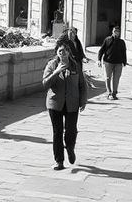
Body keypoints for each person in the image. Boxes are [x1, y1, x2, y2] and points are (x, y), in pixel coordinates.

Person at [43, 42, 87, 171]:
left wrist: (83, 101)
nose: (62, 53)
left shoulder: (75, 66)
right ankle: (59, 161)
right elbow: (45, 83)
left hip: (72, 103)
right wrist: (56, 72)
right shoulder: (52, 65)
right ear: (57, 52)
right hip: (55, 103)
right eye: (60, 51)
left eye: (65, 50)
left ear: (68, 52)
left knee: (71, 130)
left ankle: (70, 148)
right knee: (57, 132)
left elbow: (82, 85)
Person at [97, 26, 127, 100]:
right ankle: (109, 92)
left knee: (116, 78)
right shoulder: (107, 40)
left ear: (119, 33)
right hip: (108, 62)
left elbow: (124, 52)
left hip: (118, 63)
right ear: (112, 32)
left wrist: (124, 62)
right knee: (107, 77)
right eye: (115, 31)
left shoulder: (121, 42)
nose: (116, 33)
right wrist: (99, 60)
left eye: (117, 31)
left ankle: (114, 92)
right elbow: (101, 50)